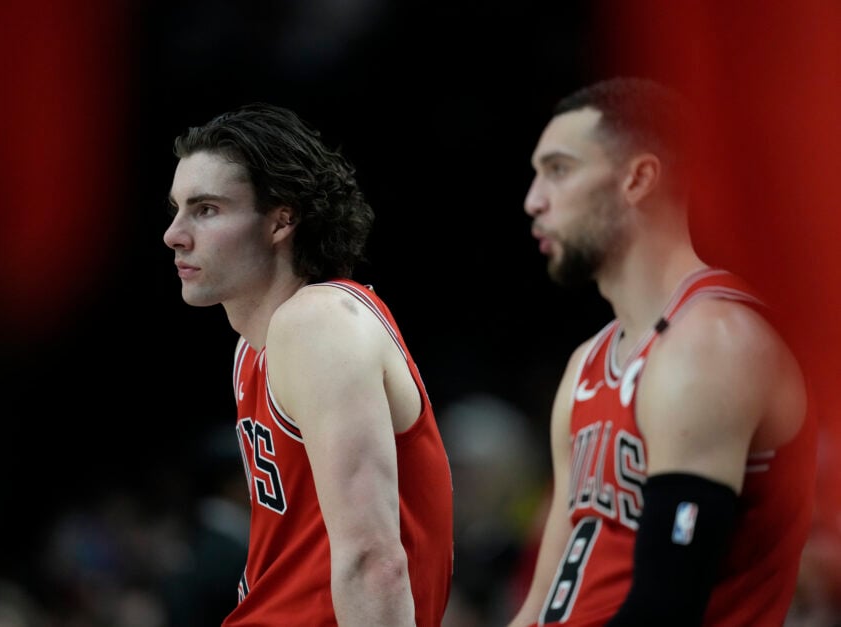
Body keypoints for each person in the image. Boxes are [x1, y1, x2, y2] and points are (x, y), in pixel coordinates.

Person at [507, 77, 818, 627]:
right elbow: (541, 601)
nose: (533, 199)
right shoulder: (587, 363)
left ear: (638, 178)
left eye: (558, 169)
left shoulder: (715, 343)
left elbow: (665, 607)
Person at [163, 102, 454, 626]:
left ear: (281, 220)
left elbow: (373, 561)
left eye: (206, 209)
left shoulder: (318, 323)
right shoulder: (254, 347)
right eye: (177, 208)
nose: (175, 234)